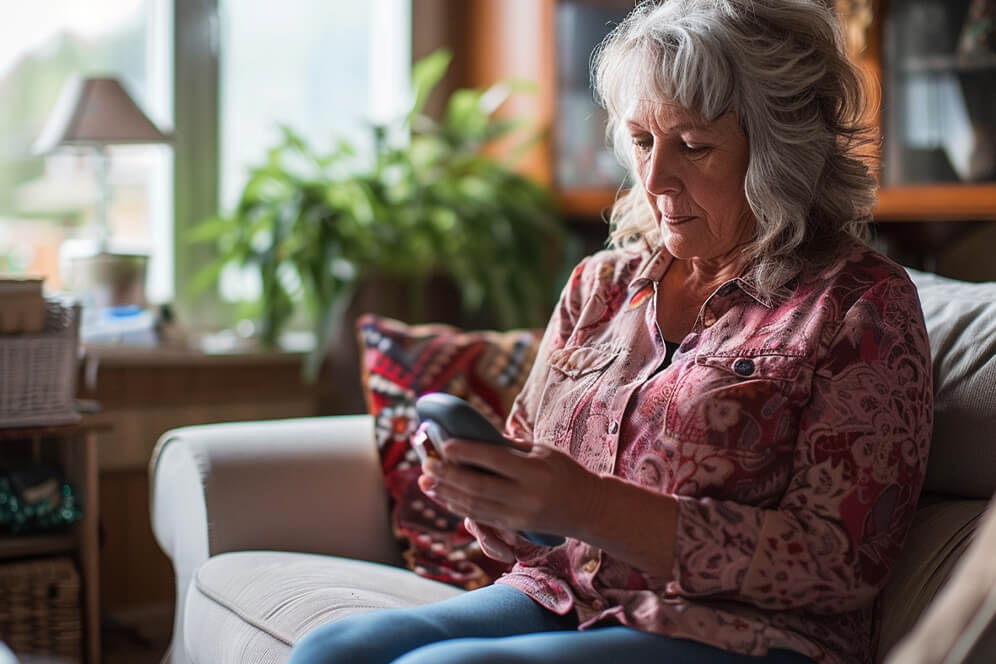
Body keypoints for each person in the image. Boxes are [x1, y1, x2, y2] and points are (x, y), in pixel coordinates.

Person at [288, 0, 933, 662]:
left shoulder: (860, 305)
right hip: (560, 594)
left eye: (693, 145)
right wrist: (490, 493)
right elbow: (529, 510)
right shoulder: (601, 286)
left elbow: (840, 563)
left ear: (782, 152)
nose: (655, 179)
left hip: (736, 633)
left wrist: (591, 507)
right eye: (644, 141)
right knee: (334, 649)